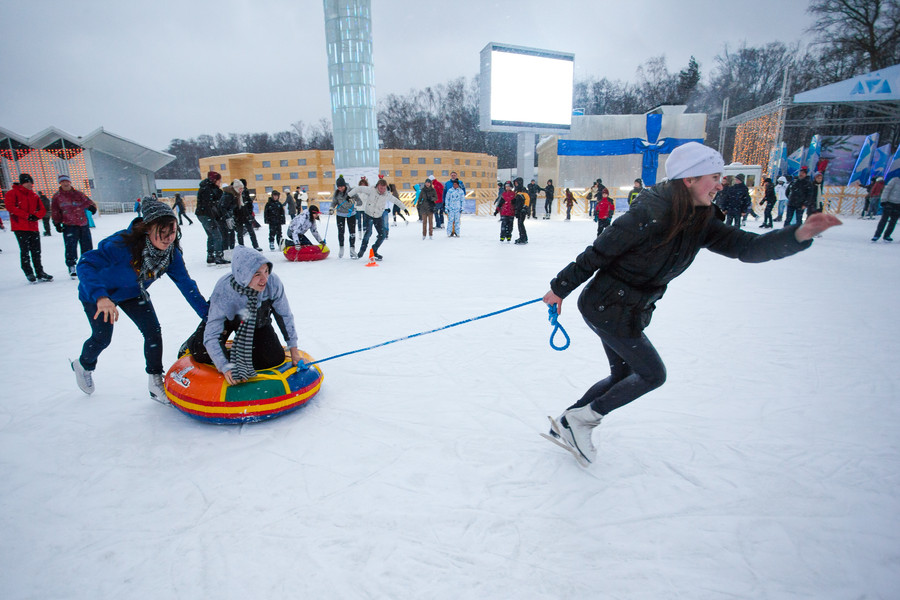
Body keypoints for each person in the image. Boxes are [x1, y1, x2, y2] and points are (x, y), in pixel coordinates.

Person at [541, 142, 842, 467]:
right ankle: (583, 420)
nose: (720, 183)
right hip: (607, 306)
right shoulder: (650, 212)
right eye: (714, 176)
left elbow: (747, 247)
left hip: (628, 307)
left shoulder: (702, 220)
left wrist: (798, 235)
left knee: (625, 373)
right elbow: (598, 253)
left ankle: (569, 421)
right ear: (688, 179)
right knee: (652, 374)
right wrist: (559, 288)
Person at [72, 197, 209, 403]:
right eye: (161, 233)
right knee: (102, 338)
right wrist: (101, 296)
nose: (167, 238)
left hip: (133, 293)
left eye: (171, 232)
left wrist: (209, 315)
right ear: (147, 229)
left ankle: (155, 382)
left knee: (153, 332)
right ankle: (83, 364)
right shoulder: (120, 245)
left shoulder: (170, 255)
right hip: (99, 294)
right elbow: (85, 264)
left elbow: (186, 285)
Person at [195, 246, 302, 385]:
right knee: (200, 352)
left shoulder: (273, 283)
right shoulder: (224, 290)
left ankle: (241, 351)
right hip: (227, 322)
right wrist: (225, 366)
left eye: (266, 271)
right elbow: (212, 333)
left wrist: (293, 349)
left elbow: (284, 315)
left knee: (273, 358)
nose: (264, 279)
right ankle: (195, 343)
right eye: (257, 274)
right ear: (244, 274)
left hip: (257, 321)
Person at [7, 173, 53, 282]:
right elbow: (11, 207)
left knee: (36, 251)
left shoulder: (34, 196)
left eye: (31, 182)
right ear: (22, 183)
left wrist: (36, 217)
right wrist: (27, 216)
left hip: (33, 227)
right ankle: (28, 272)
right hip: (20, 227)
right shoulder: (12, 193)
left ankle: (39, 271)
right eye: (27, 182)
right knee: (25, 250)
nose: (29, 184)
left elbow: (42, 210)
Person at [51, 173, 98, 277]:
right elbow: (55, 211)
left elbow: (88, 201)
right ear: (60, 183)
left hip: (83, 223)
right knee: (71, 246)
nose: (65, 183)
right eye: (63, 182)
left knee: (87, 245)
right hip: (69, 224)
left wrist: (92, 207)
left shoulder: (78, 194)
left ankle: (88, 263)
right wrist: (57, 223)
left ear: (69, 182)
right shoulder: (57, 197)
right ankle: (71, 265)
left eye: (66, 181)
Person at [350, 178, 409, 261]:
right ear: (377, 186)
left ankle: (374, 250)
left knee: (383, 235)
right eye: (381, 188)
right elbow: (358, 188)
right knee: (368, 233)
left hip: (378, 216)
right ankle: (362, 251)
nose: (382, 190)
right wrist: (349, 195)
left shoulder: (387, 194)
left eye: (384, 188)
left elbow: (396, 201)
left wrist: (404, 208)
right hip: (369, 215)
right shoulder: (371, 190)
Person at [196, 171, 228, 264]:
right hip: (206, 215)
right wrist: (215, 217)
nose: (220, 182)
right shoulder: (207, 189)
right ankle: (218, 256)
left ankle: (210, 256)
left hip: (204, 214)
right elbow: (209, 204)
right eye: (219, 180)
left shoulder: (208, 188)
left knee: (211, 235)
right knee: (217, 235)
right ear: (214, 180)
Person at [329, 176, 358, 258]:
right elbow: (333, 202)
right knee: (341, 232)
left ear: (345, 185)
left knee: (352, 232)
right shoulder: (336, 193)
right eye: (338, 187)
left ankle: (352, 249)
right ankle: (341, 247)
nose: (340, 189)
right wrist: (331, 208)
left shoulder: (352, 191)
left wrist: (354, 202)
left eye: (341, 187)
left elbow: (360, 202)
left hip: (351, 214)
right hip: (340, 214)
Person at [235, 179, 262, 251]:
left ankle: (252, 246)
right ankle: (248, 246)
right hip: (241, 215)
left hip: (244, 215)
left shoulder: (245, 192)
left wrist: (249, 212)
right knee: (245, 232)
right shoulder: (237, 193)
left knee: (245, 232)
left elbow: (249, 203)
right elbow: (249, 203)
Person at [871, 176, 900, 242]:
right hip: (889, 202)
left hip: (898, 204)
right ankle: (877, 235)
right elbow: (887, 190)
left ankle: (887, 235)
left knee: (893, 221)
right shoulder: (894, 180)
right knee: (884, 219)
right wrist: (884, 200)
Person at [513, 177, 529, 245]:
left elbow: (527, 199)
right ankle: (522, 237)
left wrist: (524, 208)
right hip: (518, 209)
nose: (515, 184)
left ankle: (523, 238)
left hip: (522, 210)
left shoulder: (523, 190)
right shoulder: (516, 190)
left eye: (516, 183)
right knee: (519, 224)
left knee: (520, 223)